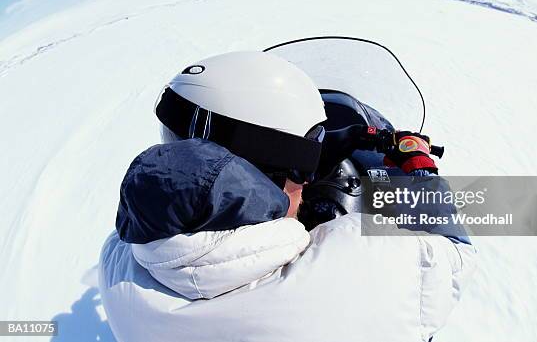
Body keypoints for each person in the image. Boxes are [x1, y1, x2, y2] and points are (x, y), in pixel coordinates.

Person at [99, 51, 476, 342]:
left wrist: (325, 147)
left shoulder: (117, 256)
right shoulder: (369, 262)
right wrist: (421, 171)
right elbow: (453, 254)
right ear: (273, 176)